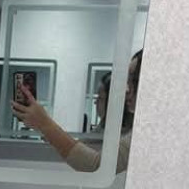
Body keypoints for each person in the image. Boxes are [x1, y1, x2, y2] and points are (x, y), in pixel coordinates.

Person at [11, 51, 142, 173]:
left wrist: (45, 124)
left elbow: (96, 165)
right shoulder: (118, 132)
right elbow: (84, 149)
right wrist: (45, 128)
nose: (126, 90)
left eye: (132, 80)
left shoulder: (140, 133)